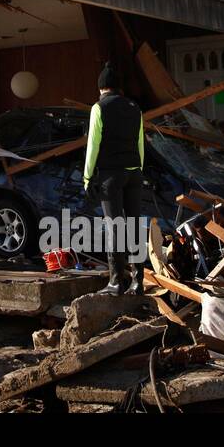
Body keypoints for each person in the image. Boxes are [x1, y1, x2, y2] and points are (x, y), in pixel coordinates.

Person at [83, 62, 146, 295]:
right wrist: (139, 170)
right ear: (118, 87)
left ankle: (115, 282)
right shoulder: (134, 107)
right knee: (134, 226)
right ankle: (138, 281)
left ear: (101, 88)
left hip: (111, 175)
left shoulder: (99, 108)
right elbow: (140, 143)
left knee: (115, 227)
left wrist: (88, 177)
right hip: (134, 173)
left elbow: (93, 146)